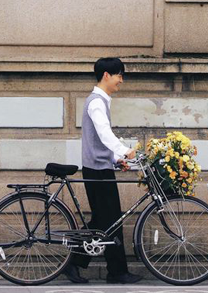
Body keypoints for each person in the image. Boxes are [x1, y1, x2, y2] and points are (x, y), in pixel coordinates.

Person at [65, 57, 142, 284]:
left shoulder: (101, 100)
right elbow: (104, 133)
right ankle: (115, 271)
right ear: (106, 75)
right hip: (97, 171)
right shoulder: (97, 102)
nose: (121, 80)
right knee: (110, 221)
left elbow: (99, 140)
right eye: (119, 75)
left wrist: (116, 159)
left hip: (99, 167)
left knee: (104, 221)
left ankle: (81, 265)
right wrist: (123, 151)